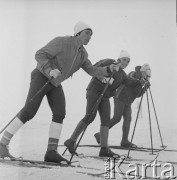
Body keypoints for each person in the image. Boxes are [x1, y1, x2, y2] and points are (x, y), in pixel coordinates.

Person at [0, 21, 121, 164]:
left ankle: (51, 152)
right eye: (87, 33)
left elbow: (92, 70)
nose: (90, 37)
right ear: (78, 33)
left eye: (91, 35)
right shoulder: (62, 41)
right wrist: (50, 69)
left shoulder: (83, 54)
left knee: (59, 113)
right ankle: (2, 145)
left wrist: (109, 69)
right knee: (29, 112)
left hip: (55, 83)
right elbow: (40, 54)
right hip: (42, 76)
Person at [64, 50, 146, 157]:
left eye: (128, 61)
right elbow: (94, 69)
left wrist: (141, 82)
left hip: (105, 96)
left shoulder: (122, 74)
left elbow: (130, 83)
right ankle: (71, 141)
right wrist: (104, 78)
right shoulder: (109, 62)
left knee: (106, 120)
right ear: (119, 59)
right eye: (124, 60)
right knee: (90, 117)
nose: (126, 63)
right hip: (94, 91)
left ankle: (104, 149)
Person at [94, 64, 151, 148]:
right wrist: (141, 81)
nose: (147, 76)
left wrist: (145, 87)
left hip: (128, 100)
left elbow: (138, 94)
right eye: (146, 74)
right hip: (120, 97)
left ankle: (124, 140)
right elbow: (131, 81)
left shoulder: (142, 80)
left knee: (128, 119)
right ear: (143, 72)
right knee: (117, 117)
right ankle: (99, 134)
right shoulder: (133, 73)